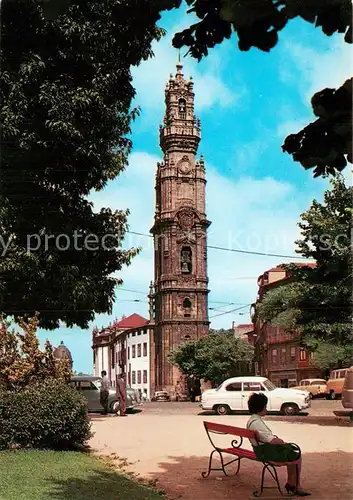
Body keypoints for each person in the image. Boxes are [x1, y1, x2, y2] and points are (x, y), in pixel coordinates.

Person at [247, 392, 310, 497]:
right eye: (265, 406)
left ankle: (291, 483)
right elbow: (271, 440)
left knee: (291, 452)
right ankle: (295, 485)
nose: (266, 409)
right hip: (267, 453)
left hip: (261, 450)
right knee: (296, 454)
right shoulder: (257, 423)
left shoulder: (252, 420)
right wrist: (281, 441)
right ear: (260, 407)